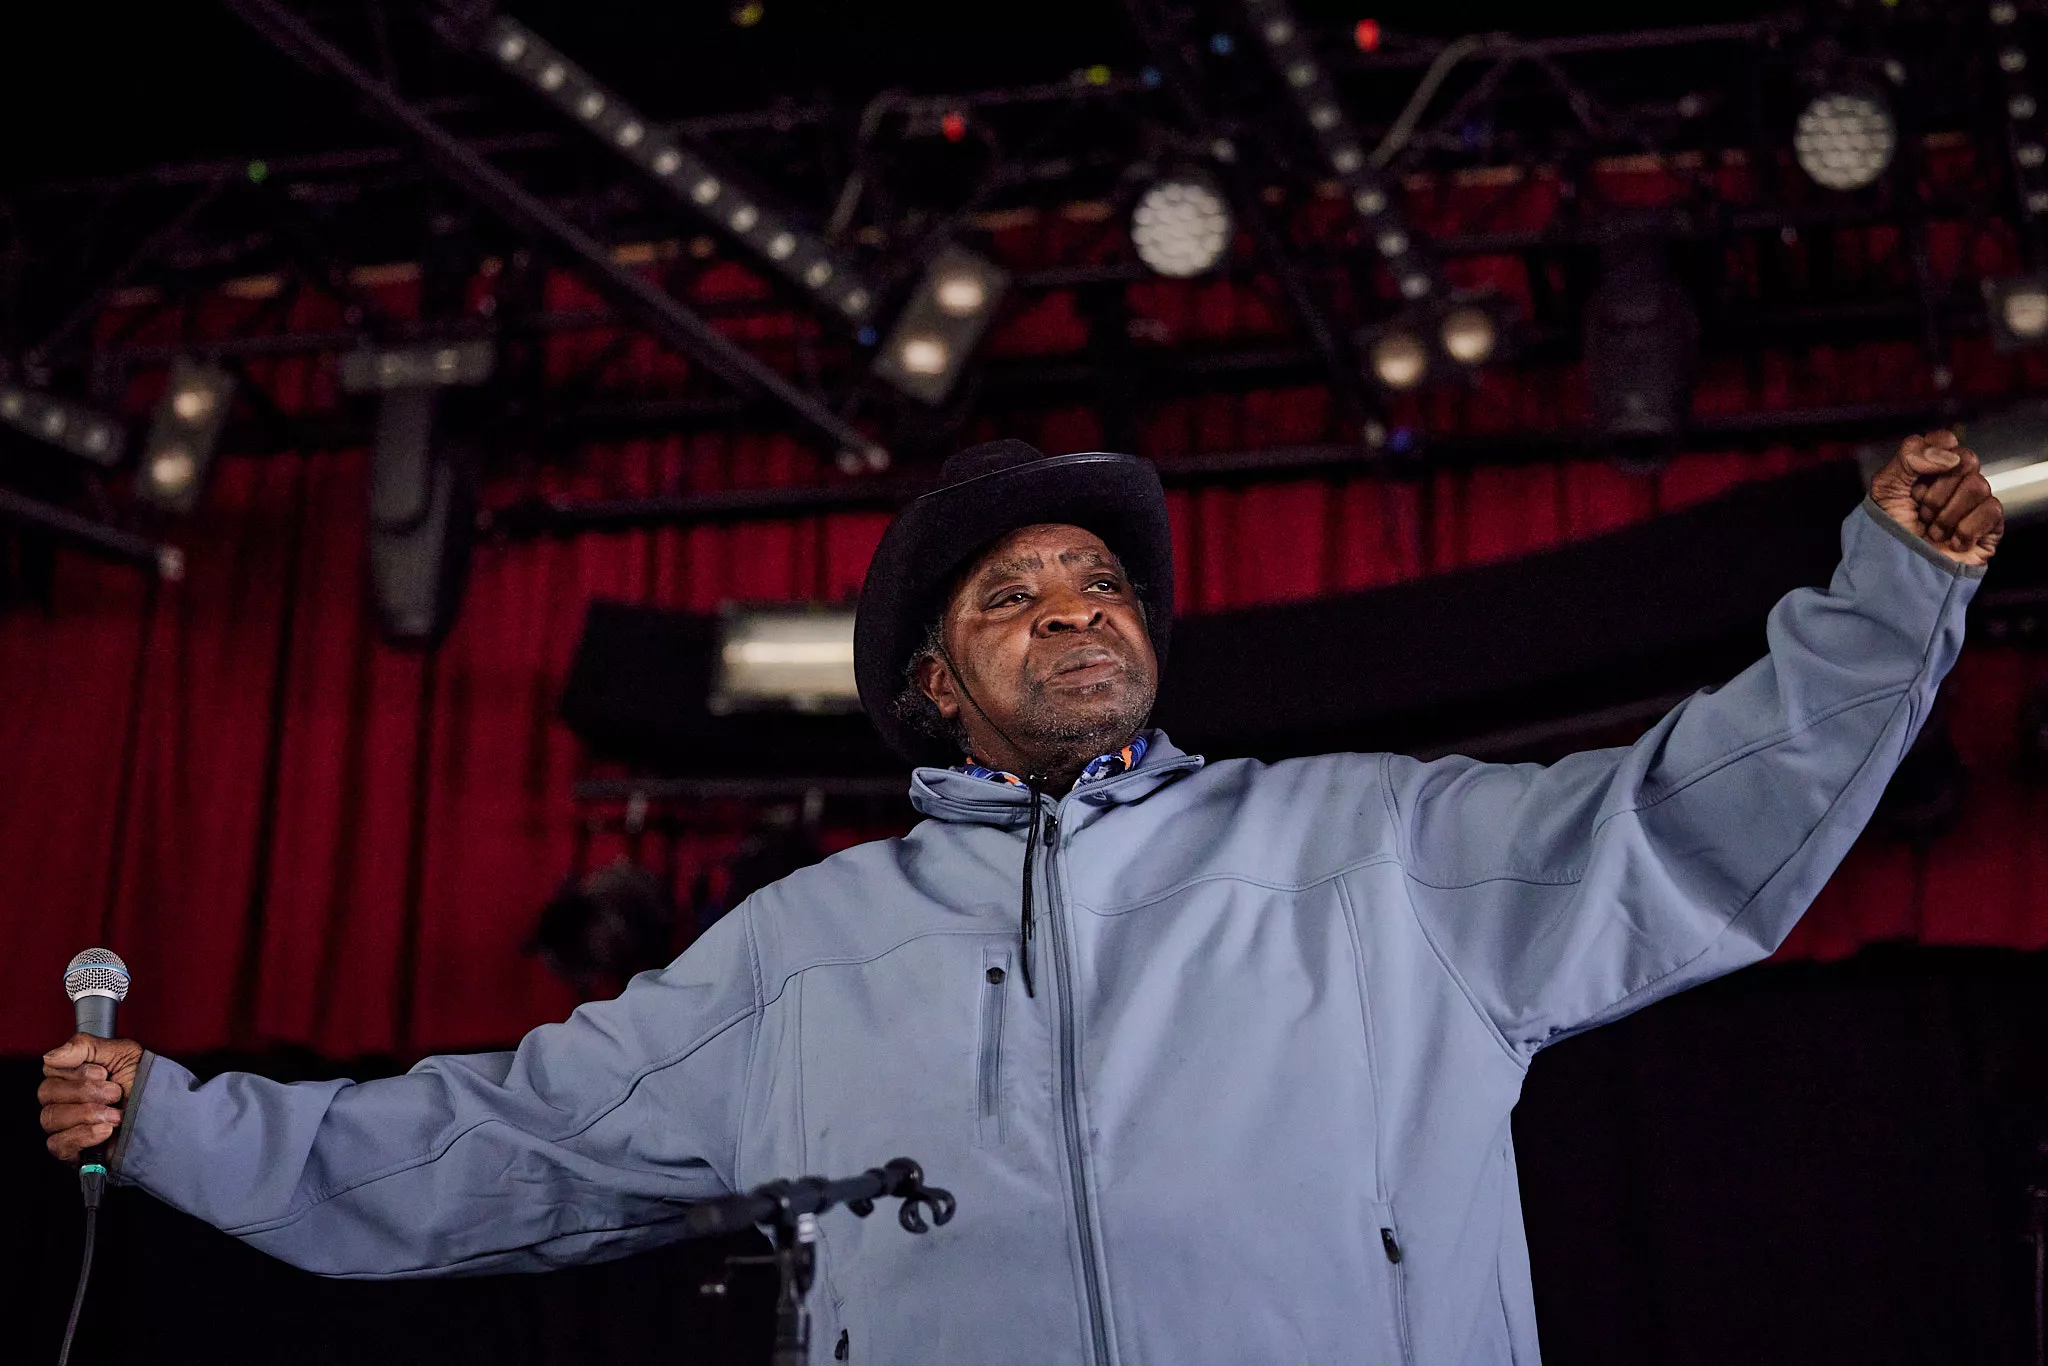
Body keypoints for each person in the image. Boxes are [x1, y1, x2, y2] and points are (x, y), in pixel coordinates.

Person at [42, 434, 2002, 1365]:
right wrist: (180, 1122)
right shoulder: (805, 949)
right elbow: (502, 1142)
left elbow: (1679, 831)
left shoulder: (1369, 844)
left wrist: (1889, 598)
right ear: (932, 687)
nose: (1072, 607)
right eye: (1013, 594)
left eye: (1100, 581)